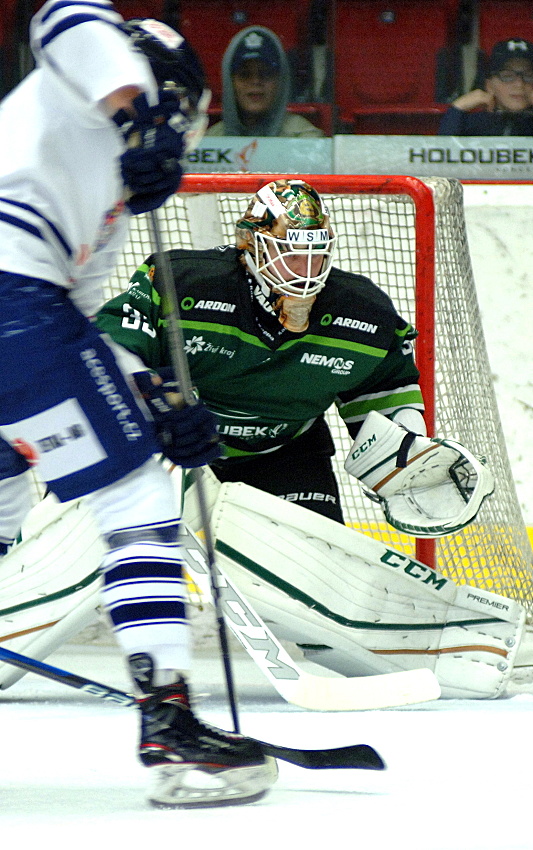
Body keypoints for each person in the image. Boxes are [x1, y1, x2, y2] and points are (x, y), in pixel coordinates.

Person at [0, 2, 277, 808]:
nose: (185, 135)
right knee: (135, 496)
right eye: (185, 116)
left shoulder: (114, 193)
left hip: (26, 315)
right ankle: (172, 729)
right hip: (12, 302)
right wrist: (142, 118)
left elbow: (76, 324)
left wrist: (153, 397)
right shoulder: (89, 84)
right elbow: (62, 16)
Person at [96, 178, 426, 525]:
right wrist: (156, 410)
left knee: (310, 556)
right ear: (252, 246)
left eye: (316, 255)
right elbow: (109, 353)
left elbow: (387, 391)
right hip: (180, 443)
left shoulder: (365, 314)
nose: (305, 272)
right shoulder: (181, 284)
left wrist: (410, 455)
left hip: (287, 454)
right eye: (292, 255)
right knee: (131, 541)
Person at [206, 26, 324, 138]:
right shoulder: (211, 140)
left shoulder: (305, 139)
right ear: (230, 83)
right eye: (245, 75)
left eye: (266, 74)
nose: (256, 81)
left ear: (281, 81)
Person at [438, 37, 533, 135]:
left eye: (529, 76)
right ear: (489, 86)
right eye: (507, 76)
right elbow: (445, 143)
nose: (519, 84)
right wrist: (457, 109)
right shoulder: (473, 124)